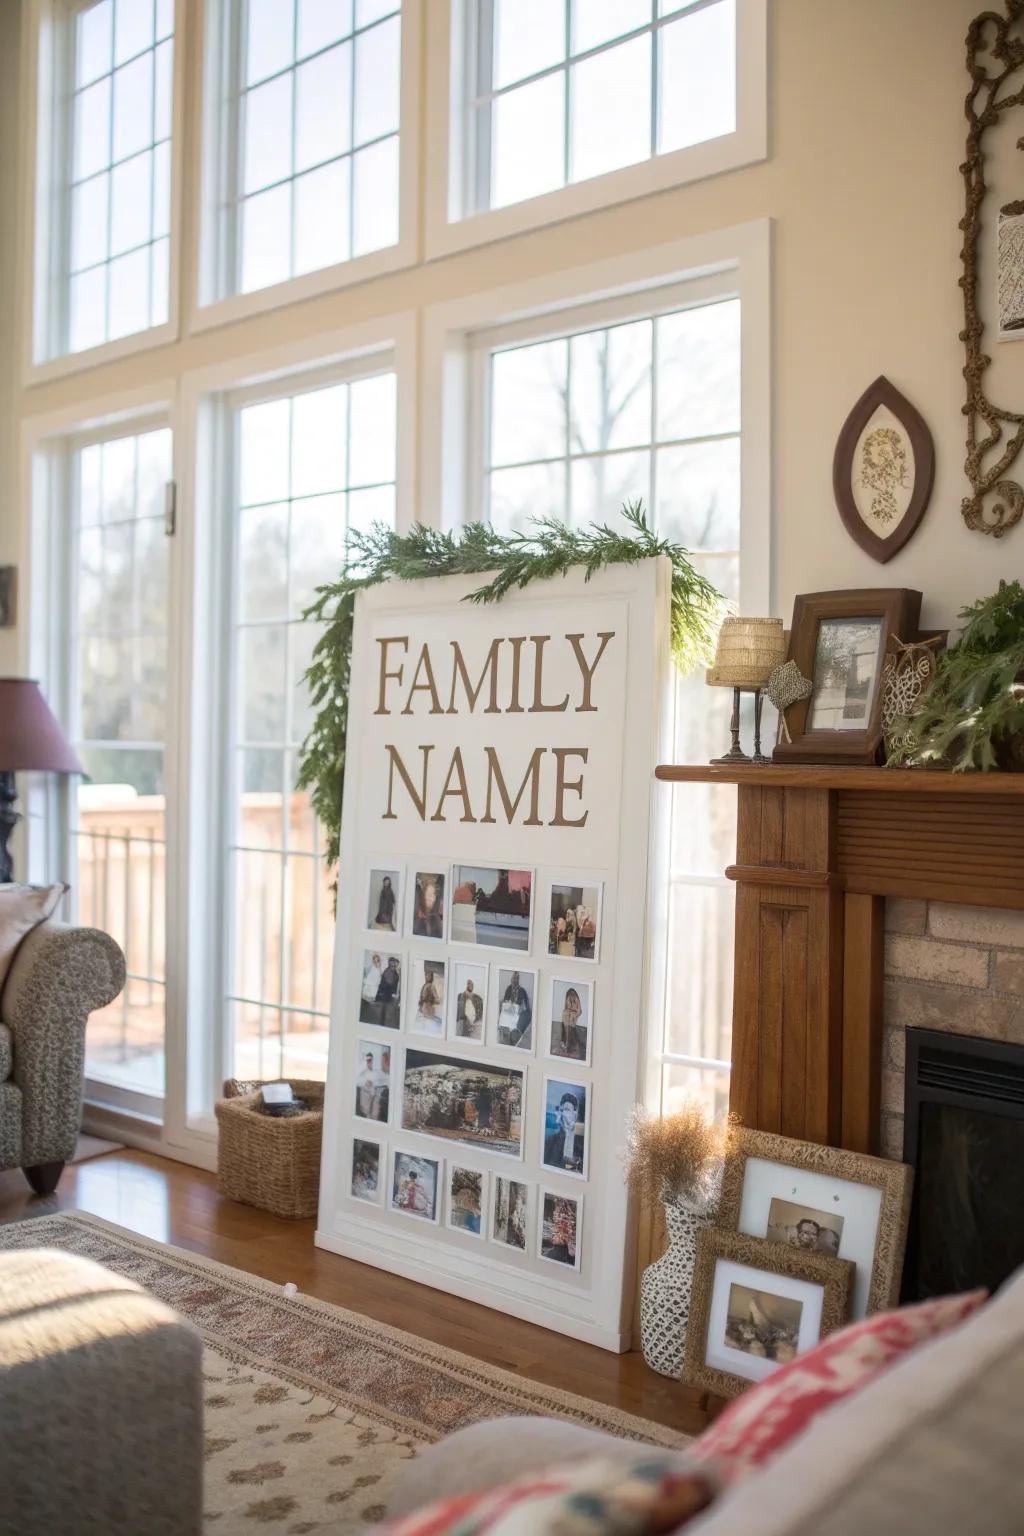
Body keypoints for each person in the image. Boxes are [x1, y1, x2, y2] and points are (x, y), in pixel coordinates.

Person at [544, 1090, 584, 1173]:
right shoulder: (550, 1141)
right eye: (561, 1110)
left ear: (575, 1114)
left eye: (566, 1109)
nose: (562, 1114)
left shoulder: (582, 1142)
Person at [498, 971, 531, 1047]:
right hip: (508, 1012)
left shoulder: (522, 991)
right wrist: (507, 1005)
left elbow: (526, 1006)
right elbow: (504, 1002)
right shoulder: (508, 988)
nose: (514, 980)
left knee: (514, 1033)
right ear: (511, 979)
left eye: (516, 978)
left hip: (517, 1014)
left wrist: (519, 1009)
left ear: (518, 979)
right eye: (513, 978)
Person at [552, 986, 585, 1059]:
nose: (571, 995)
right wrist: (567, 1012)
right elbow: (566, 1008)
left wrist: (574, 1015)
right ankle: (565, 1045)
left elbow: (579, 1011)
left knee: (570, 1030)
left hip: (572, 1016)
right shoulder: (568, 998)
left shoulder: (576, 999)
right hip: (566, 1016)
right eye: (570, 994)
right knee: (566, 1030)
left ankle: (568, 1046)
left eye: (573, 994)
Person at [355, 1050, 386, 1120]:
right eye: (368, 1061)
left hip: (375, 1093)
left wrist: (373, 1084)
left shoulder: (376, 1072)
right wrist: (365, 1081)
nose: (370, 1062)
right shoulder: (362, 1072)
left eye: (371, 1060)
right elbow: (356, 1078)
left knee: (375, 1110)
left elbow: (384, 1080)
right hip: (366, 1094)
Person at [415, 968, 443, 1034]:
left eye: (429, 975)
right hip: (422, 1010)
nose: (427, 977)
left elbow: (438, 1000)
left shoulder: (432, 986)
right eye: (426, 975)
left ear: (432, 977)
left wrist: (430, 1000)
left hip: (428, 1010)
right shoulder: (424, 985)